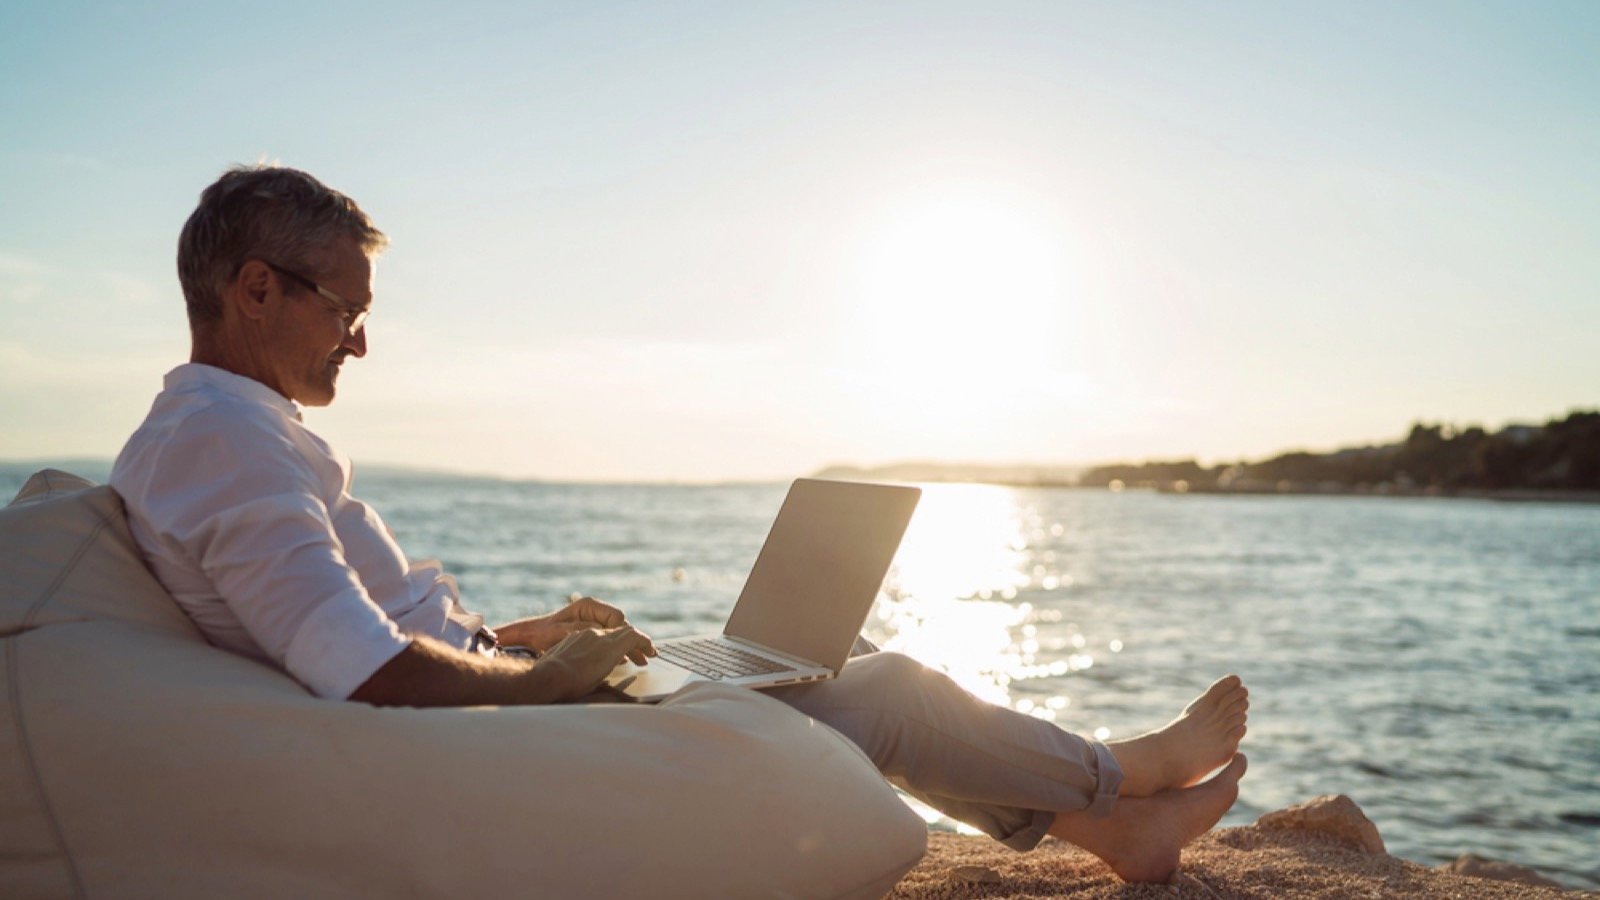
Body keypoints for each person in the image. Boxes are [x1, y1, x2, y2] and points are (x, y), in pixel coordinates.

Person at [112, 164, 1250, 883]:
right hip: (505, 745)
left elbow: (354, 632)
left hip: (499, 707)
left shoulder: (222, 432)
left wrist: (522, 638)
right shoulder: (227, 443)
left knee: (826, 656)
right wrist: (546, 684)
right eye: (344, 310)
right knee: (889, 689)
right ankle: (1122, 777)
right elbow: (360, 669)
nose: (359, 342)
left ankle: (1114, 831)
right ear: (255, 289)